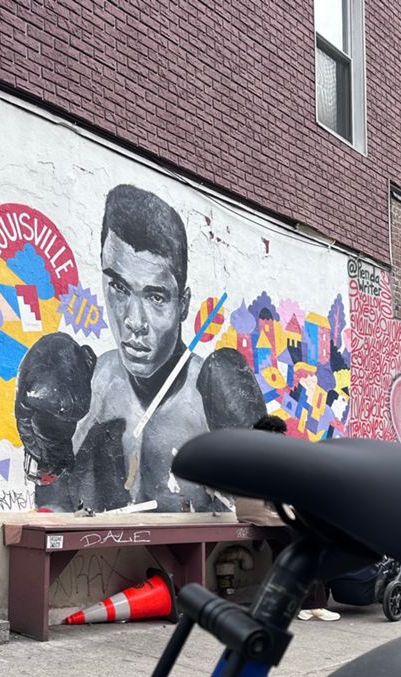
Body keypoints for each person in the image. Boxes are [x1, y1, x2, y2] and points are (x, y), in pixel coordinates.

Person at [15, 184, 266, 512]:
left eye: (156, 296)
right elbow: (53, 510)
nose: (134, 321)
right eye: (119, 287)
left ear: (183, 304)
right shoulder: (89, 386)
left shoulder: (207, 396)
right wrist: (44, 451)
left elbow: (265, 514)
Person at [235, 414, 340, 622]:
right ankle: (312, 606)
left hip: (248, 512)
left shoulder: (248, 450)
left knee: (284, 553)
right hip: (267, 513)